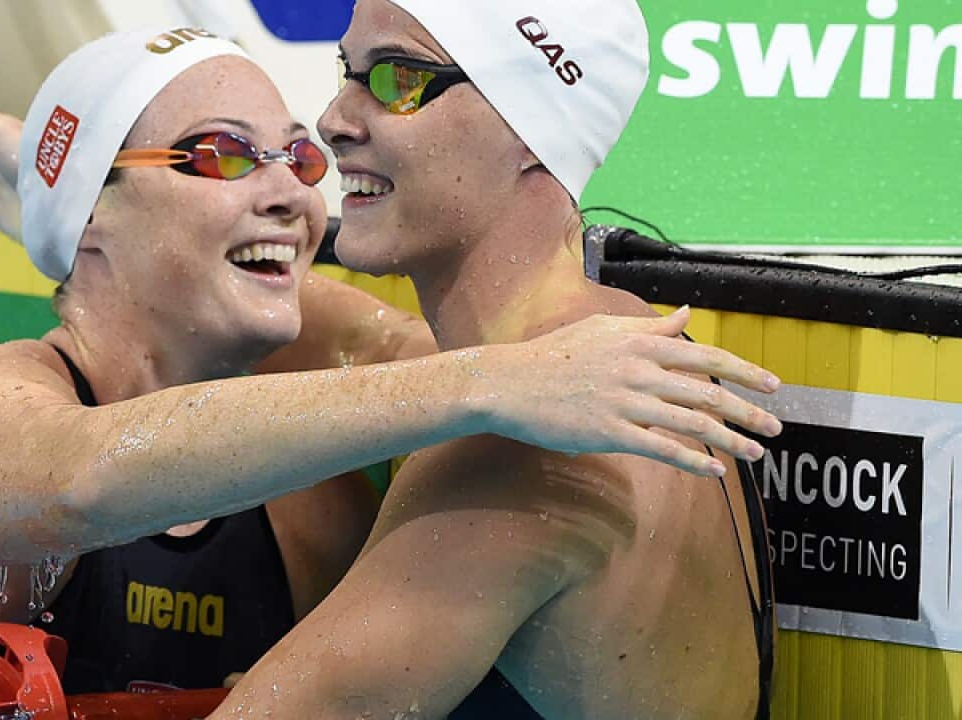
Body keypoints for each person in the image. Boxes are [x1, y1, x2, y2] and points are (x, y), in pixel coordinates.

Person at [0, 23, 777, 719]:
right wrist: (61, 202)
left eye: (296, 156)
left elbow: (371, 351)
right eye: (219, 155)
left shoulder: (533, 415)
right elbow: (80, 476)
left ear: (528, 128)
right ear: (100, 215)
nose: (312, 164)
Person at [203, 2, 774, 718]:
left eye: (399, 79)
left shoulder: (521, 448)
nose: (333, 118)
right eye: (348, 72)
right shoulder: (630, 354)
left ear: (532, 131)